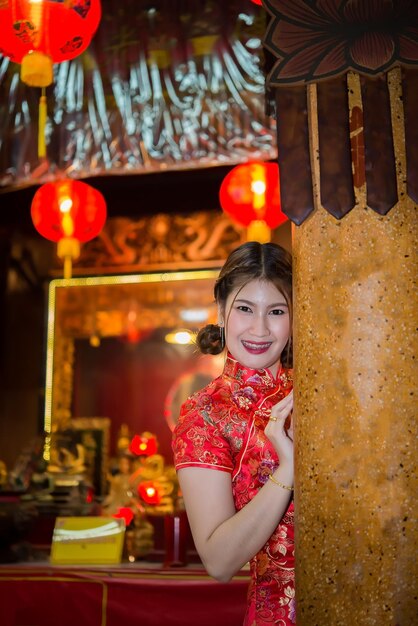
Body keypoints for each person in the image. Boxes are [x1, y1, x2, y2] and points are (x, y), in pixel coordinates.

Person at [172, 241, 295, 625]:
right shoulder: (204, 414)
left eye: (276, 311)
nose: (260, 329)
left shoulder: (325, 389)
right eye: (245, 309)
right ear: (222, 313)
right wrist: (288, 469)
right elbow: (219, 561)